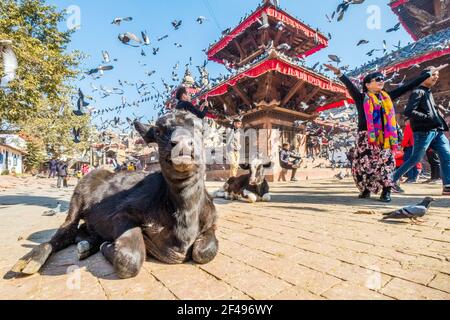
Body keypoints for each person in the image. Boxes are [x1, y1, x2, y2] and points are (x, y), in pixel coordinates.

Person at [325, 63, 434, 202]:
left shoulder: (387, 97)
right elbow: (349, 85)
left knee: (387, 163)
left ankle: (386, 191)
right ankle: (365, 189)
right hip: (366, 138)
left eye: (382, 79)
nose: (381, 81)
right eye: (377, 79)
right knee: (364, 165)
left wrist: (427, 75)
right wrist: (339, 72)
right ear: (368, 84)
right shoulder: (361, 98)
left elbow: (407, 86)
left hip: (385, 137)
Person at [392, 65, 450, 195]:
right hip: (424, 131)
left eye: (438, 75)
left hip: (437, 131)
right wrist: (428, 117)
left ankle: (447, 185)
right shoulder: (418, 92)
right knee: (415, 159)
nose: (436, 77)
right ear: (425, 76)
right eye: (434, 74)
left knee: (447, 155)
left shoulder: (428, 92)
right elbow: (409, 111)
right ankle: (392, 179)